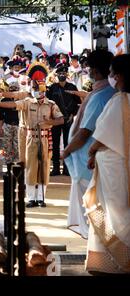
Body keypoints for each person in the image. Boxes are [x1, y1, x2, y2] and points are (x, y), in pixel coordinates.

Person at [0, 62, 64, 208]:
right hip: (28, 135)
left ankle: (41, 197)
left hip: (44, 137)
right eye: (35, 87)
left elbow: (60, 119)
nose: (37, 90)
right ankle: (31, 197)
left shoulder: (50, 104)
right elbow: (13, 101)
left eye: (40, 88)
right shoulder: (26, 98)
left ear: (44, 89)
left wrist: (49, 122)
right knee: (29, 166)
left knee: (44, 167)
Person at [83, 54, 130, 274]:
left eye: (112, 72)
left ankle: (114, 262)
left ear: (119, 76)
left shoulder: (120, 101)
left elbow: (102, 135)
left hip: (113, 166)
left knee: (113, 211)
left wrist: (91, 152)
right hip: (122, 164)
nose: (110, 76)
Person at [62, 50, 115, 239]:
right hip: (91, 159)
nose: (88, 72)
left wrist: (66, 151)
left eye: (89, 68)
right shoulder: (105, 92)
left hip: (88, 160)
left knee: (93, 208)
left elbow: (85, 132)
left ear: (95, 71)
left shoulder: (101, 96)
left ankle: (99, 244)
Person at [46, 64, 81, 176]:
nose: (62, 75)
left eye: (64, 73)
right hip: (56, 120)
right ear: (56, 75)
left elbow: (77, 103)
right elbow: (48, 103)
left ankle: (67, 168)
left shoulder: (72, 87)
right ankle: (55, 168)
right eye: (60, 73)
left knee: (68, 143)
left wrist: (72, 115)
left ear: (67, 75)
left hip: (68, 119)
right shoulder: (52, 88)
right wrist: (51, 116)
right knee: (55, 144)